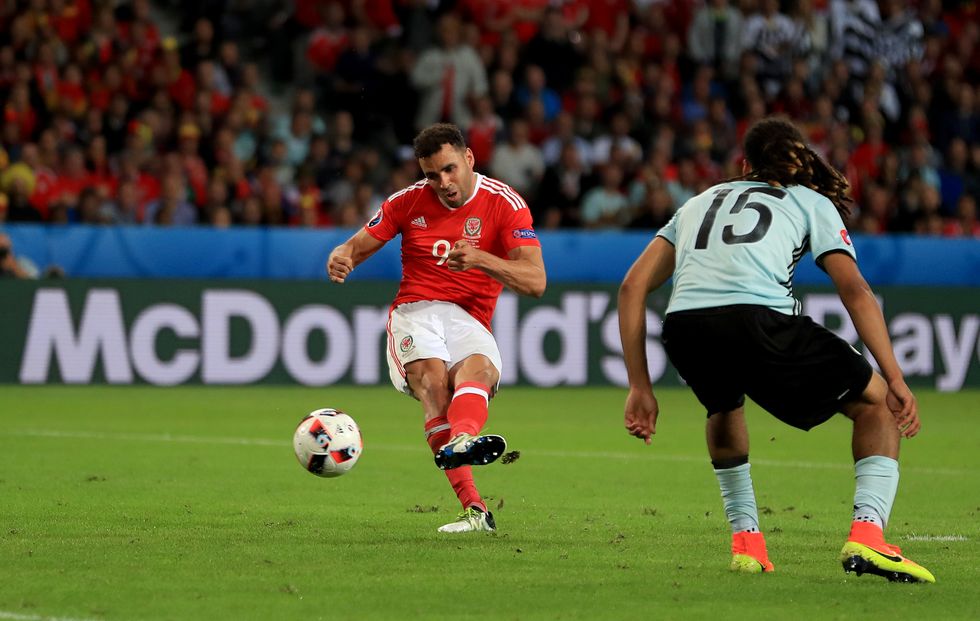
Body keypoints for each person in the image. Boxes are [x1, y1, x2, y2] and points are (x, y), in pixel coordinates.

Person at [617, 117, 935, 583]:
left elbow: (631, 287)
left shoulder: (698, 202)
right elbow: (855, 291)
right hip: (757, 319)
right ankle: (869, 537)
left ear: (744, 165)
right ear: (800, 163)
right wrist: (896, 378)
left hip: (686, 326)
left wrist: (639, 387)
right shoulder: (810, 200)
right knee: (876, 404)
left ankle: (747, 544)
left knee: (723, 406)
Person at [327, 123, 546, 533]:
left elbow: (536, 281)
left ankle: (462, 445)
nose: (442, 183)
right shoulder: (408, 202)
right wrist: (342, 255)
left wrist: (481, 259)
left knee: (477, 372)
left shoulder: (505, 203)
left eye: (448, 169)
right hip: (416, 310)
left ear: (469, 158)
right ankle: (474, 507)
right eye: (431, 175)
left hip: (470, 316)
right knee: (433, 382)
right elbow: (357, 246)